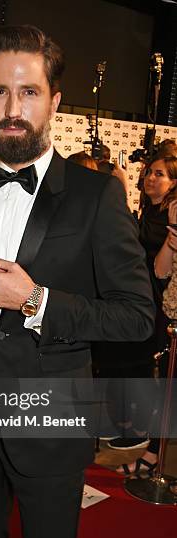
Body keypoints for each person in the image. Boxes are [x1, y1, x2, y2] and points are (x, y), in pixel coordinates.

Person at [0, 25, 154, 538]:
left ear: (54, 100)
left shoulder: (97, 195)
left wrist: (38, 302)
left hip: (53, 421)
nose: (13, 110)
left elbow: (138, 317)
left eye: (29, 92)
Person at [115, 157, 177, 473]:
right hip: (154, 302)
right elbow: (157, 267)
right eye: (149, 172)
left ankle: (153, 449)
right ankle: (152, 448)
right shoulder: (153, 213)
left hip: (163, 304)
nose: (150, 178)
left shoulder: (168, 212)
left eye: (159, 174)